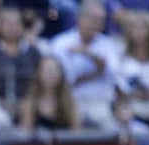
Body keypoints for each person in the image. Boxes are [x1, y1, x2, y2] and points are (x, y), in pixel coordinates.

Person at [49, 0, 121, 130]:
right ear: (80, 18)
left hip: (100, 103)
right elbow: (65, 77)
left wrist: (88, 53)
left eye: (101, 20)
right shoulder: (61, 43)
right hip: (68, 101)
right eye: (94, 19)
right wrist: (97, 72)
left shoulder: (108, 44)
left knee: (110, 127)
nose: (98, 24)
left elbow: (112, 72)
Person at [0, 5, 42, 123]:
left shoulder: (33, 52)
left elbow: (39, 80)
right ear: (0, 27)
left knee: (30, 109)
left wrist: (26, 100)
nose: (12, 28)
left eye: (16, 23)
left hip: (28, 103)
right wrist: (0, 102)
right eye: (8, 24)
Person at [115, 10, 149, 128]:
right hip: (131, 111)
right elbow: (117, 88)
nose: (138, 32)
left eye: (142, 28)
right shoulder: (121, 56)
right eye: (134, 28)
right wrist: (131, 94)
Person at [17, 55, 83, 130]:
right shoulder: (29, 104)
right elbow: (26, 133)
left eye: (54, 70)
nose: (50, 74)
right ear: (38, 74)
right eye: (47, 71)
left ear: (61, 74)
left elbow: (77, 132)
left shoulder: (70, 103)